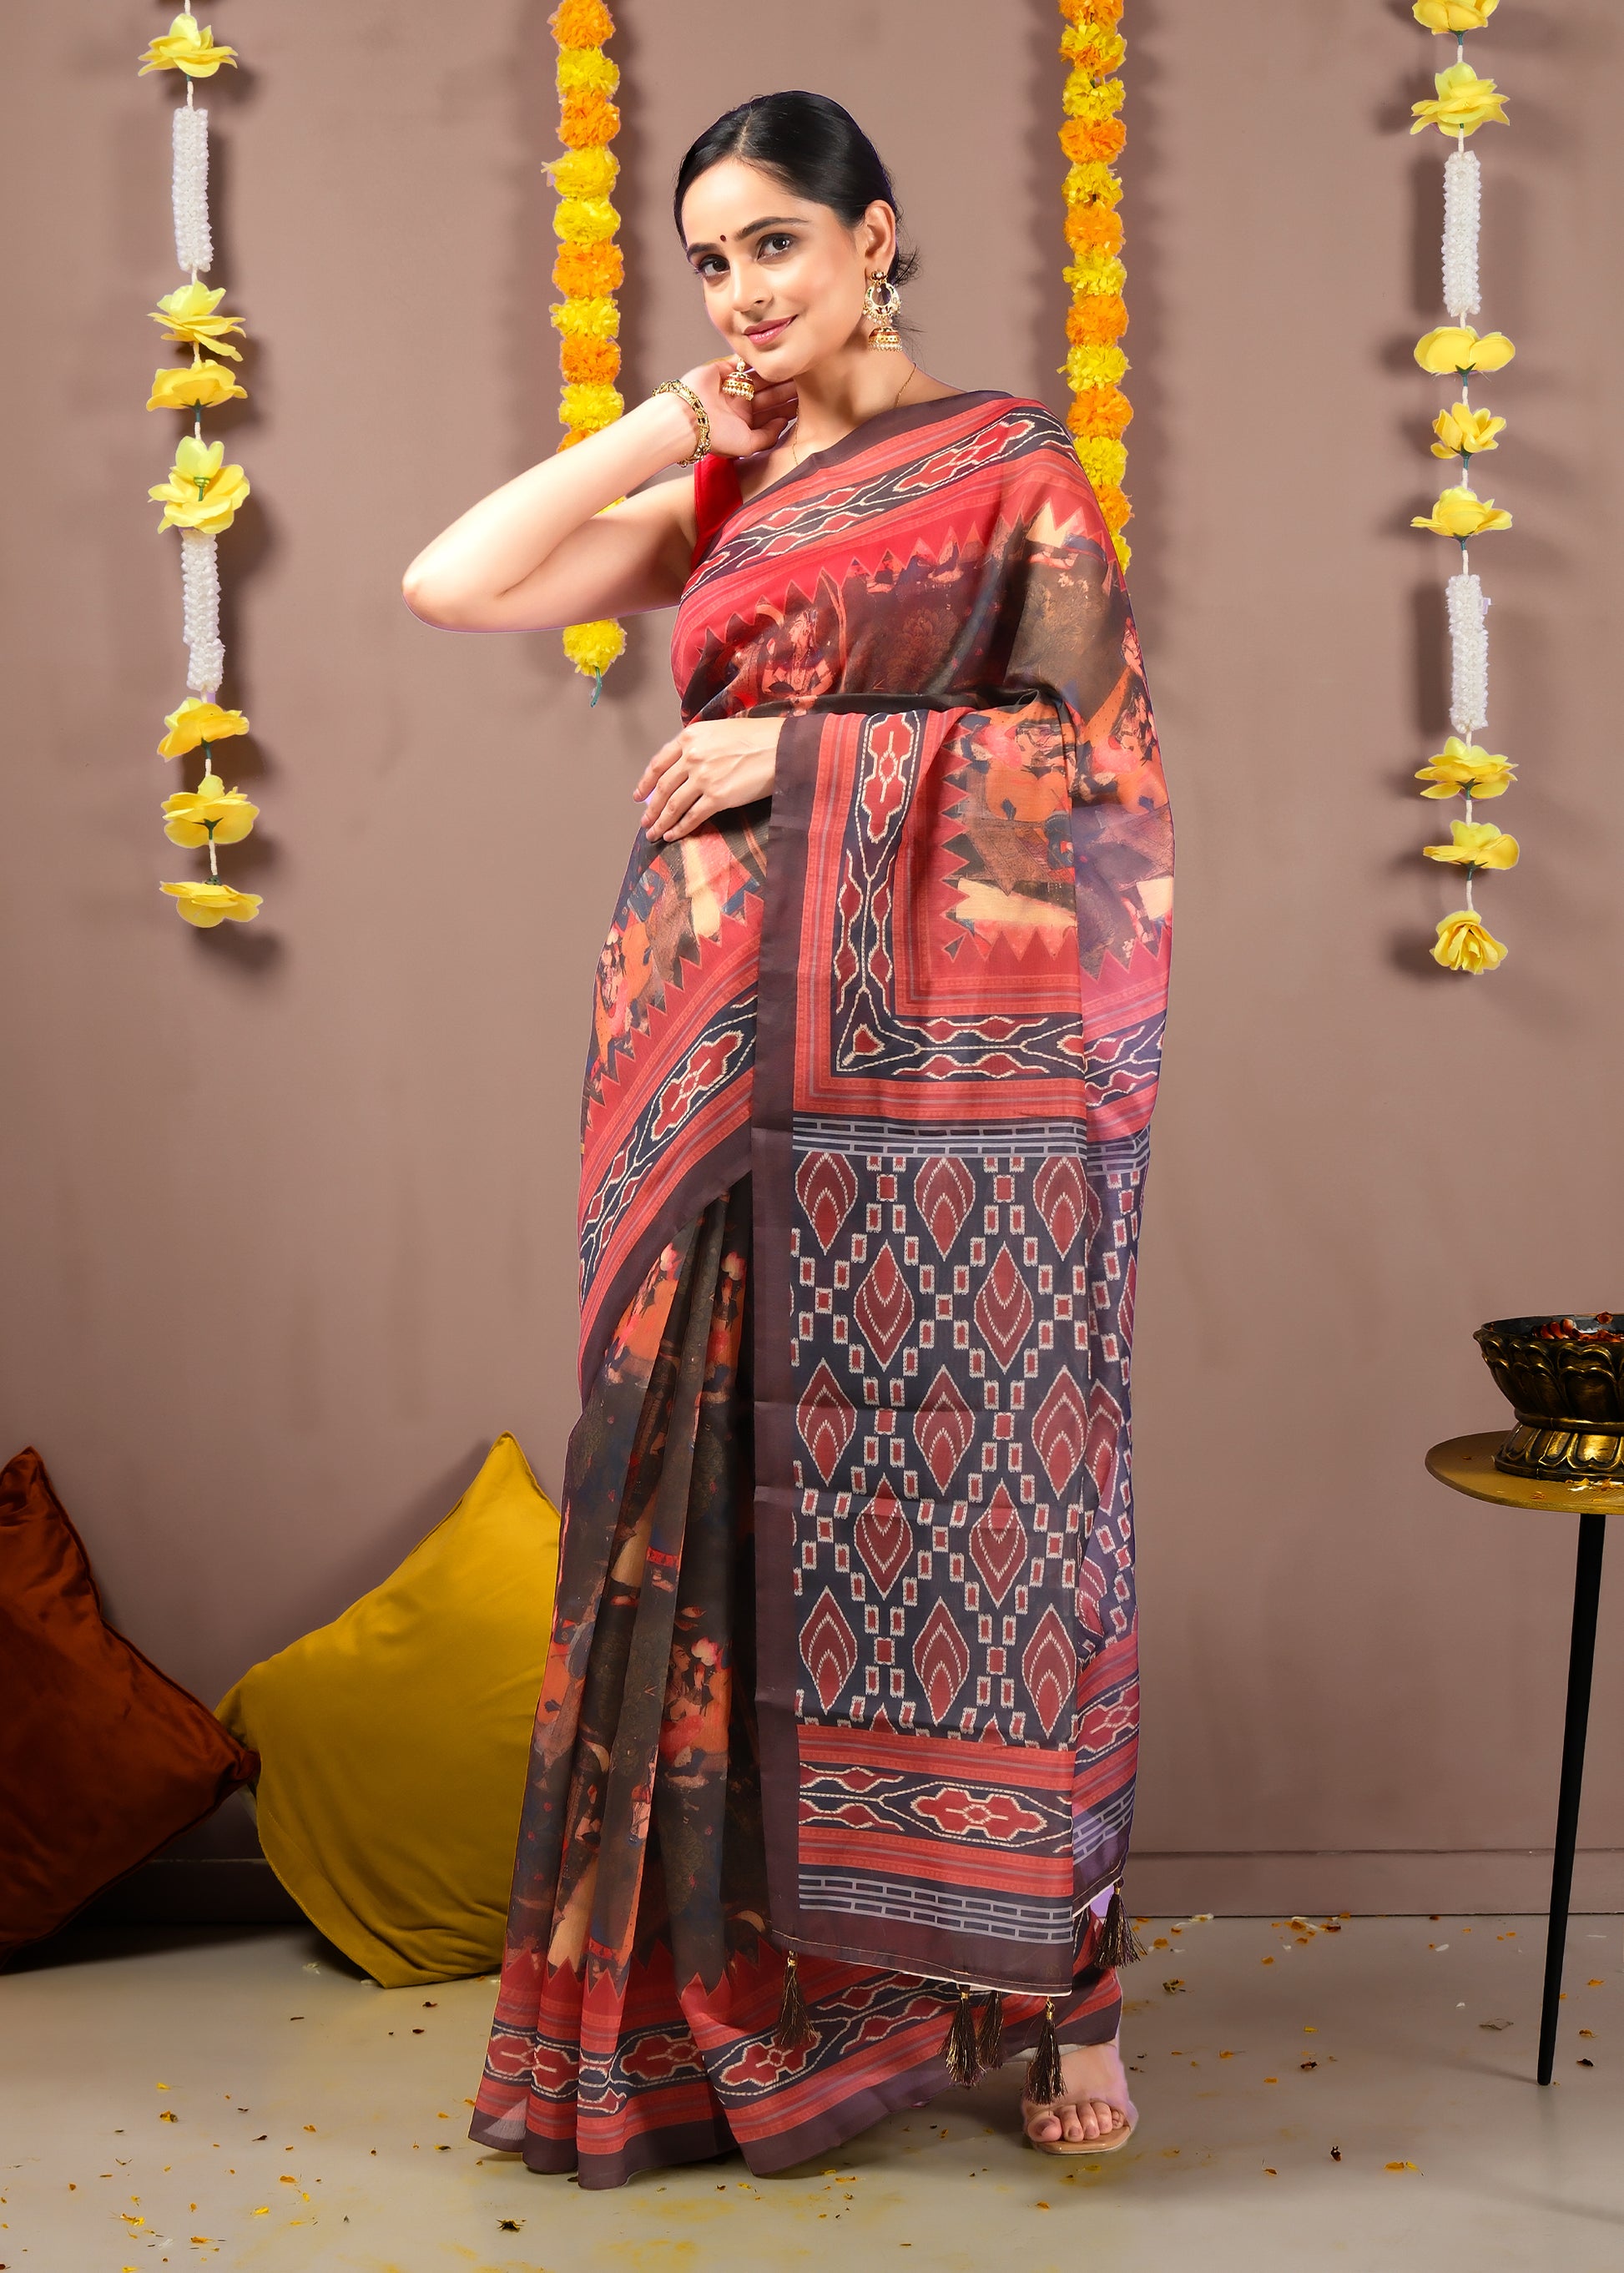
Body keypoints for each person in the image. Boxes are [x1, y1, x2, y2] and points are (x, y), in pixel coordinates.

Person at [402, 88, 1173, 2191]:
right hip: (697, 1043)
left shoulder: (1006, 465)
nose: (747, 290)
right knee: (690, 1498)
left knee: (985, 1472)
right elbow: (451, 584)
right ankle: (716, 2001)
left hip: (941, 1091)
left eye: (776, 246)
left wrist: (794, 745)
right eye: (713, 259)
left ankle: (1051, 1993)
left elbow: (1087, 768)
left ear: (877, 240)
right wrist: (668, 424)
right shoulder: (731, 484)